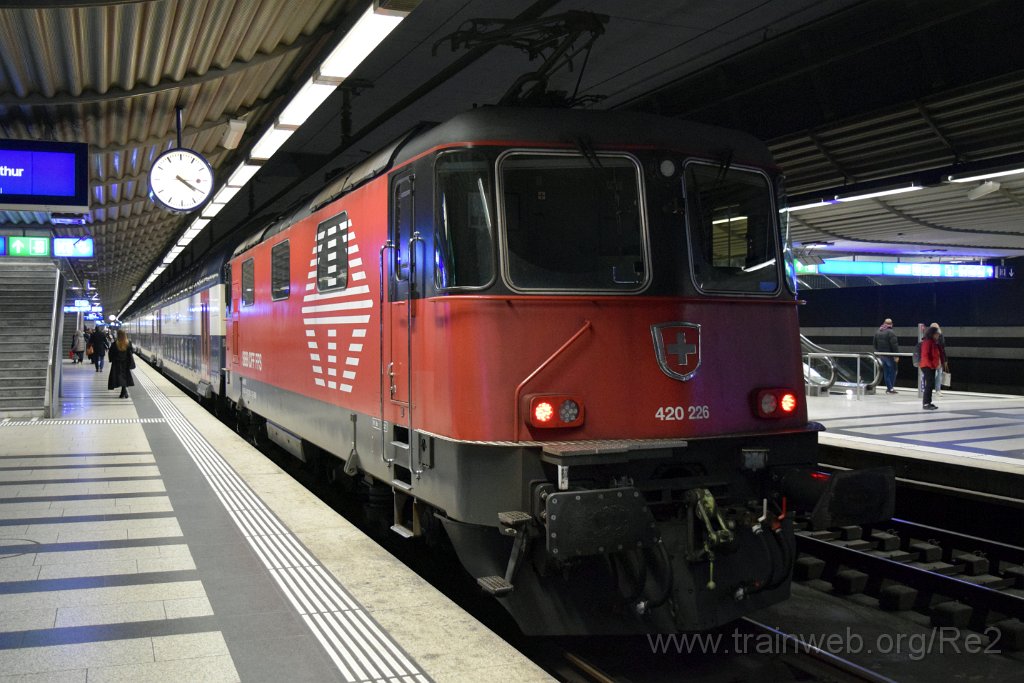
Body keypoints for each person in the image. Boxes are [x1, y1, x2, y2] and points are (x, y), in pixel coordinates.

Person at [872, 318, 900, 394]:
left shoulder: (878, 332)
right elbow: (894, 345)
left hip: (881, 355)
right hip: (890, 355)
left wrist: (879, 352)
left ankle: (889, 388)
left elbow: (874, 344)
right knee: (893, 371)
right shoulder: (891, 332)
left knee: (886, 372)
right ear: (891, 324)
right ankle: (890, 388)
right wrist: (896, 355)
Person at [107, 329, 136, 399]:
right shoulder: (128, 343)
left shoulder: (115, 344)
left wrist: (111, 359)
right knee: (125, 377)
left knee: (119, 377)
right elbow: (132, 352)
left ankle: (124, 392)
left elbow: (110, 353)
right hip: (126, 363)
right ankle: (124, 391)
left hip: (117, 364)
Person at [919, 326, 942, 410]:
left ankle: (929, 402)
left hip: (931, 366)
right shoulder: (927, 342)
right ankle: (925, 403)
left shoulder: (933, 342)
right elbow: (925, 355)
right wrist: (931, 365)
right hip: (927, 365)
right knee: (929, 384)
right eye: (936, 334)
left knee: (931, 384)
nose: (938, 336)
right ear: (932, 334)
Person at [930, 322, 949, 395]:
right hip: (931, 359)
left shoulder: (940, 336)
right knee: (932, 374)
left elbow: (943, 349)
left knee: (939, 374)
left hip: (939, 359)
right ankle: (929, 389)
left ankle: (938, 390)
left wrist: (945, 360)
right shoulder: (928, 337)